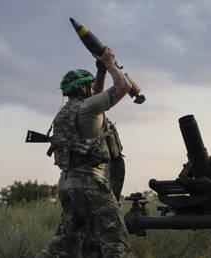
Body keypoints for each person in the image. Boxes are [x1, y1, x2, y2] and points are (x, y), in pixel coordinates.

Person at [35, 47, 140, 258]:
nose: (92, 88)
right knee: (115, 241)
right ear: (82, 89)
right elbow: (122, 87)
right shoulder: (88, 108)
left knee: (63, 244)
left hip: (68, 184)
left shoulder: (66, 112)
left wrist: (100, 71)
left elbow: (98, 95)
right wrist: (110, 63)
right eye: (88, 84)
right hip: (91, 185)